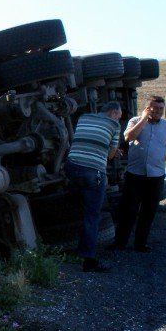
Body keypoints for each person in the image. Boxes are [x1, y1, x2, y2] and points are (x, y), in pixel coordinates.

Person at [113, 95, 166, 252]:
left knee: (148, 212)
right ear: (147, 108)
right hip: (135, 175)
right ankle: (120, 243)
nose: (158, 111)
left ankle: (140, 244)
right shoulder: (135, 121)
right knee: (128, 210)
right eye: (155, 108)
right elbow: (128, 137)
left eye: (161, 108)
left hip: (156, 176)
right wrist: (143, 119)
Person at [65, 101, 122, 272]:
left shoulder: (84, 117)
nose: (118, 119)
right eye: (118, 116)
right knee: (92, 216)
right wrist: (114, 151)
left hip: (71, 166)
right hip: (93, 173)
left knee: (78, 207)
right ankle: (88, 260)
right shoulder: (114, 125)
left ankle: (72, 247)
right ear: (113, 113)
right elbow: (111, 155)